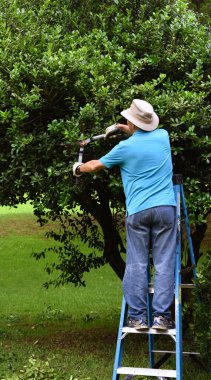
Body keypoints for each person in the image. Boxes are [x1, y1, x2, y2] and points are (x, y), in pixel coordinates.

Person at [73, 99, 177, 330]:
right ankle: (162, 317)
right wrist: (122, 128)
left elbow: (93, 166)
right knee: (163, 262)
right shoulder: (163, 137)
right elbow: (141, 133)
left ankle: (138, 317)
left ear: (131, 121)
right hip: (165, 209)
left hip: (139, 212)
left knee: (137, 264)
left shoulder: (123, 149)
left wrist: (77, 168)